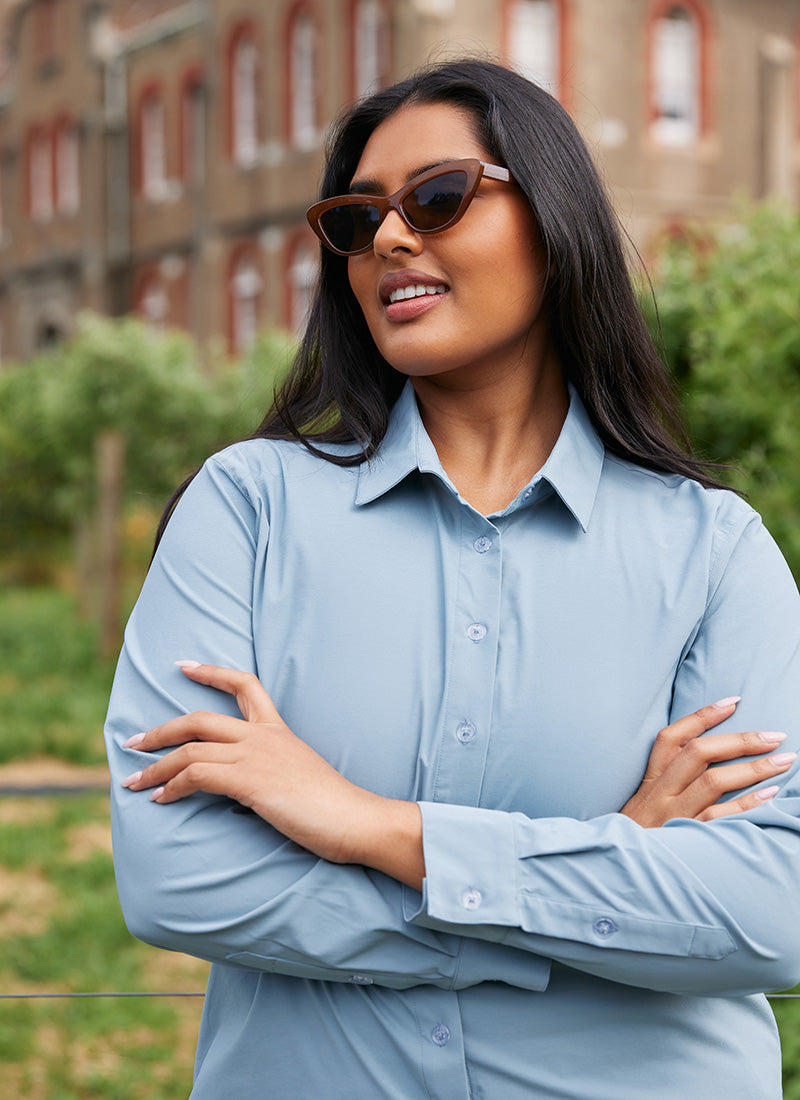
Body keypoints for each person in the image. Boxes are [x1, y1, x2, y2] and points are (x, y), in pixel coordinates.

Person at [105, 59, 800, 1099]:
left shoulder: (710, 550)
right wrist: (605, 863)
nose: (388, 239)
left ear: (553, 221)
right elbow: (177, 880)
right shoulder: (247, 510)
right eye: (355, 219)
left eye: (436, 197)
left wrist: (373, 826)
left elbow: (773, 908)